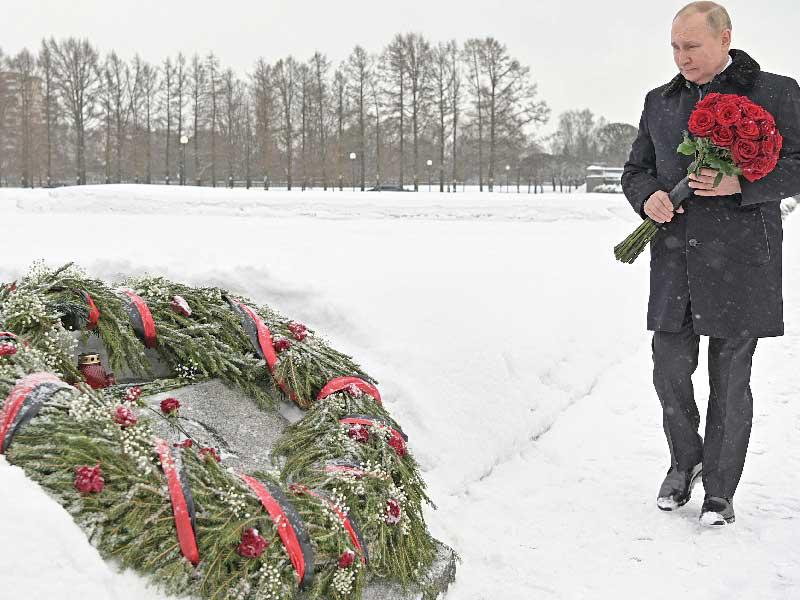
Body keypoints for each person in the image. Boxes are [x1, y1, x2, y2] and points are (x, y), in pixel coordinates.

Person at [622, 1, 800, 526]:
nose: (682, 57)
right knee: (668, 370)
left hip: (744, 259)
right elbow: (636, 169)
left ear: (725, 39)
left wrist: (741, 183)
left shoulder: (776, 92)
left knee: (730, 376)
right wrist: (649, 196)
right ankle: (685, 461)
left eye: (692, 46)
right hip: (676, 259)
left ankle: (720, 489)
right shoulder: (659, 102)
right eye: (675, 47)